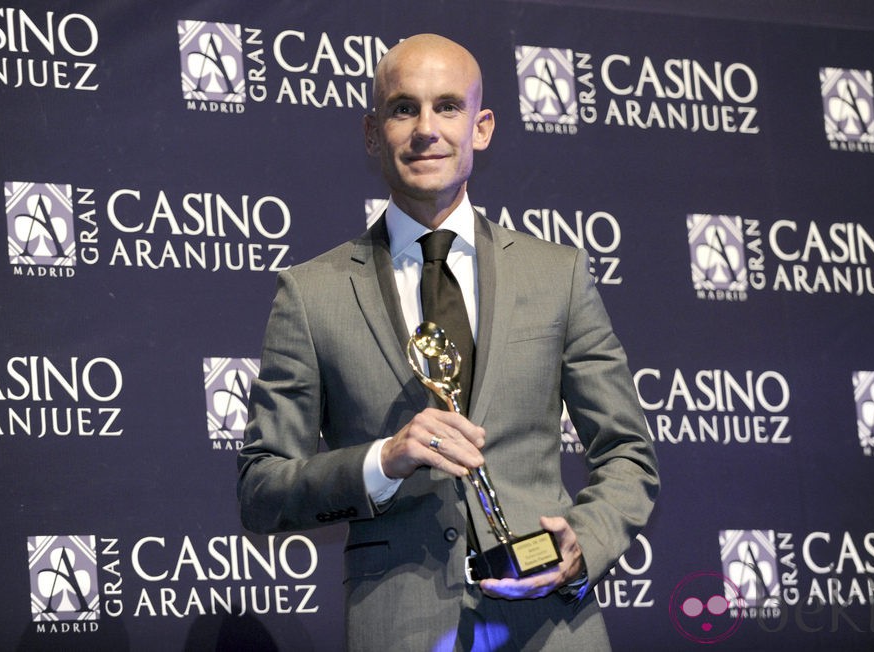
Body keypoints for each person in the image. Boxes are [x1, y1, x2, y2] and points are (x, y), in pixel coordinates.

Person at [238, 33, 659, 650]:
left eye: (448, 107)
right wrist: (382, 461)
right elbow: (261, 490)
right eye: (404, 108)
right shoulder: (311, 293)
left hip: (551, 628)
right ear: (373, 132)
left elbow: (628, 452)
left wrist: (583, 542)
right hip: (399, 628)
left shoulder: (556, 274)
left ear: (481, 127)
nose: (425, 128)